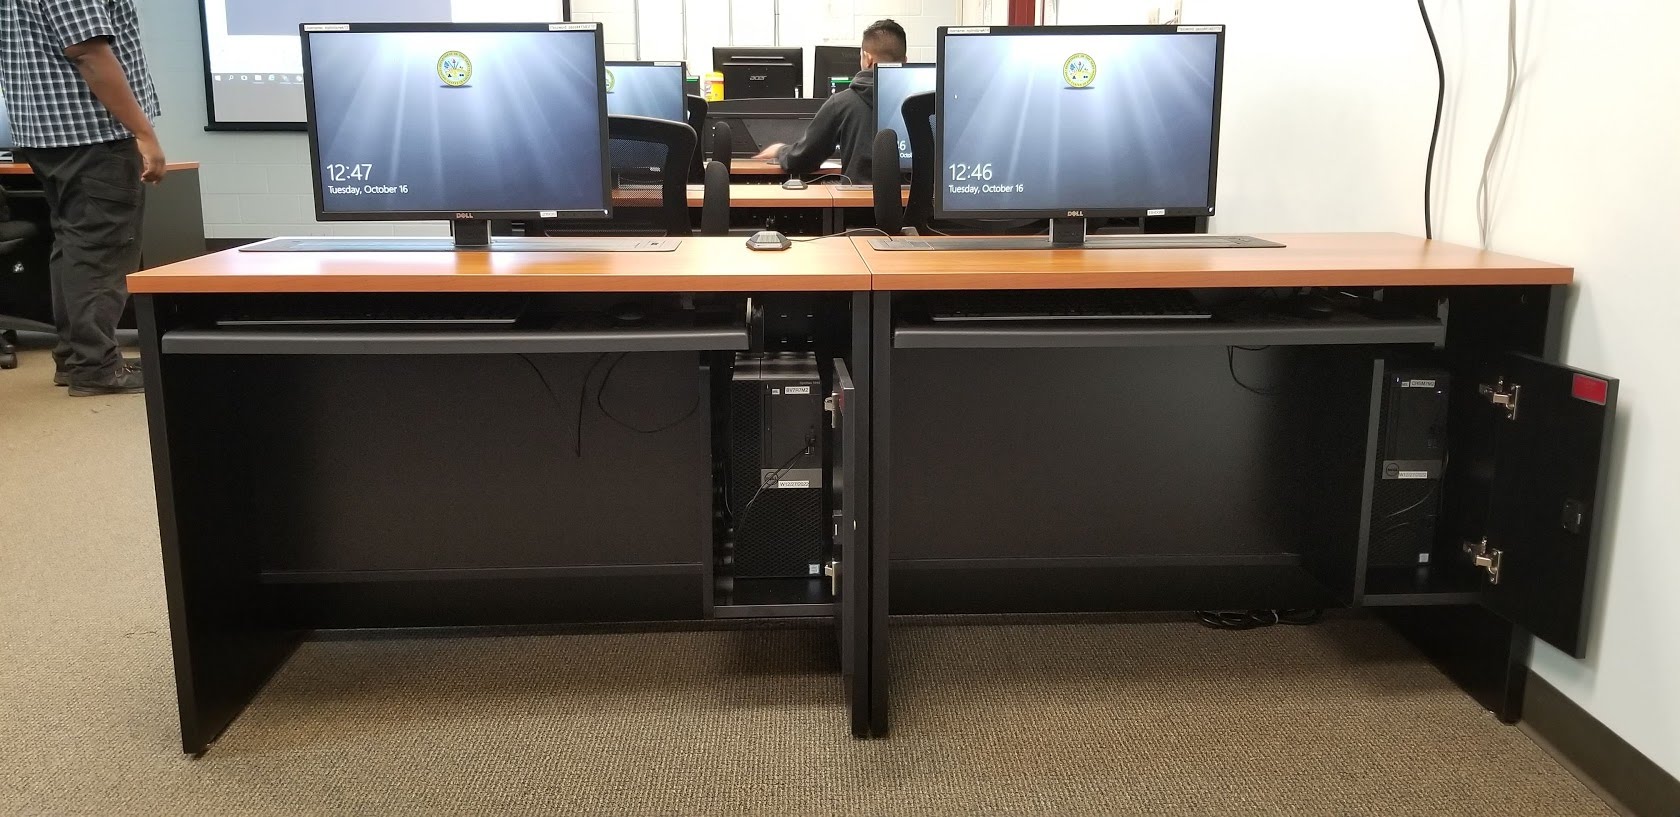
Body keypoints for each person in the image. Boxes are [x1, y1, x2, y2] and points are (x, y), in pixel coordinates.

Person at [0, 0, 165, 396]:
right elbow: (88, 51)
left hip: (46, 134)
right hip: (91, 132)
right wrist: (144, 132)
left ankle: (77, 358)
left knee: (75, 245)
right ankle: (96, 366)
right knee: (101, 250)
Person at [752, 18, 907, 184]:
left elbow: (804, 159)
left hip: (859, 200)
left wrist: (780, 151)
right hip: (914, 200)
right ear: (905, 60)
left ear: (868, 58)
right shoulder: (920, 102)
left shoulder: (842, 103)